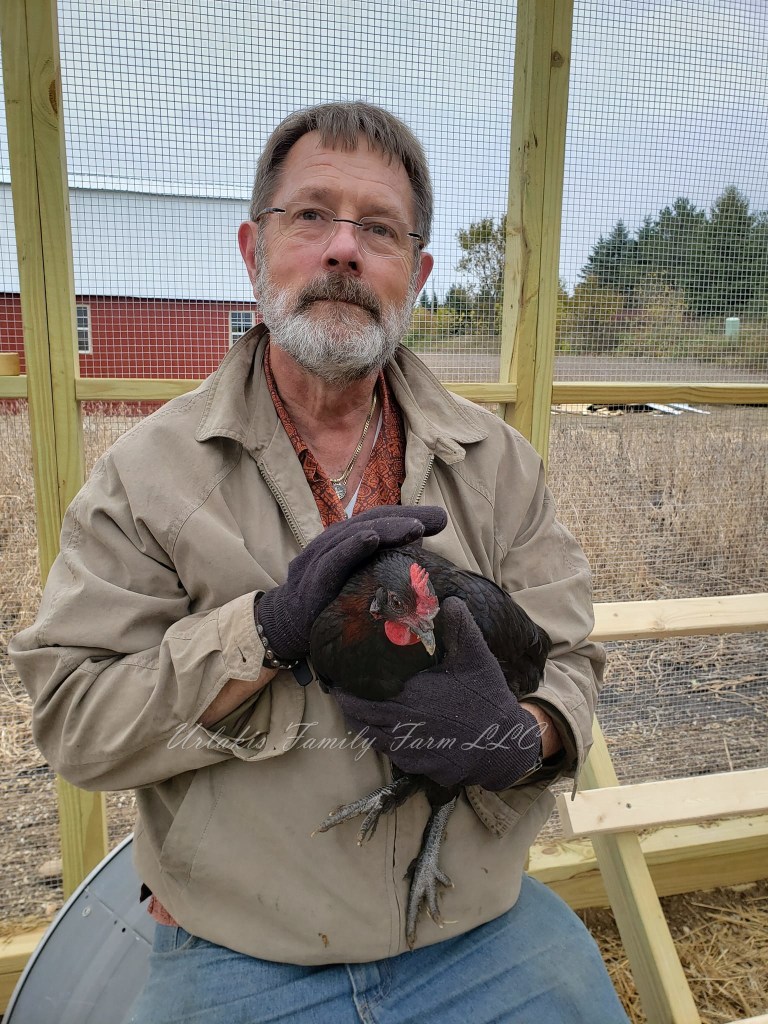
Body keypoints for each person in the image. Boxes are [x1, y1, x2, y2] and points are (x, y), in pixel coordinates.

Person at [10, 102, 629, 1023]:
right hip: (237, 949)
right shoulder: (146, 478)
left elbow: (572, 658)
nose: (343, 249)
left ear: (415, 274)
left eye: (377, 229)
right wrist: (254, 632)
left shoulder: (496, 463)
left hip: (477, 930)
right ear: (252, 250)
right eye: (310, 217)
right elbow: (76, 720)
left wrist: (524, 736)